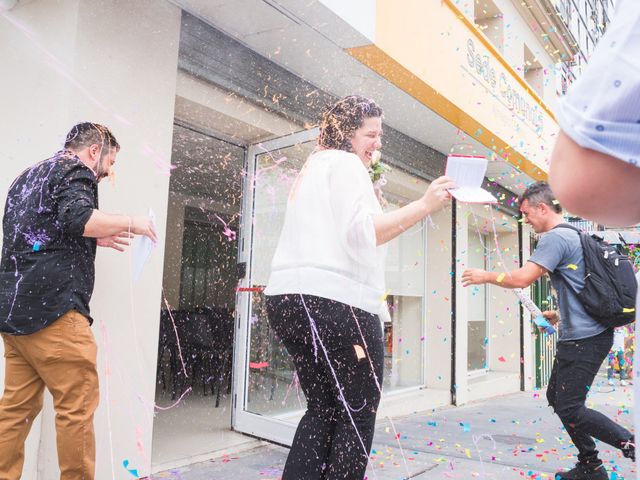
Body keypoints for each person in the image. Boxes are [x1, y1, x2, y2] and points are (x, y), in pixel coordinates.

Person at [264, 95, 455, 480]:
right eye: (372, 134)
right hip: (338, 304)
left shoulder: (313, 168)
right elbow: (365, 233)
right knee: (357, 413)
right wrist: (426, 204)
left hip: (287, 298)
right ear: (346, 134)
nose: (378, 144)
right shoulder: (347, 164)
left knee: (323, 408)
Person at [0, 123, 157, 480]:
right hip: (55, 316)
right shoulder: (74, 169)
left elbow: (40, 231)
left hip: (13, 315)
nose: (108, 171)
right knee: (77, 408)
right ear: (93, 150)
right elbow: (79, 216)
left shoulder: (26, 177)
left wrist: (90, 239)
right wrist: (133, 222)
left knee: (14, 411)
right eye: (110, 161)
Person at [461, 181, 634, 480]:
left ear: (543, 207)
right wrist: (559, 313)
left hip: (586, 339)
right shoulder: (573, 235)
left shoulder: (555, 238)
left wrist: (485, 275)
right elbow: (580, 286)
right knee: (558, 398)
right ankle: (590, 465)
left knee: (570, 405)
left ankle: (629, 444)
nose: (525, 220)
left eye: (527, 213)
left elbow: (521, 279)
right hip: (582, 334)